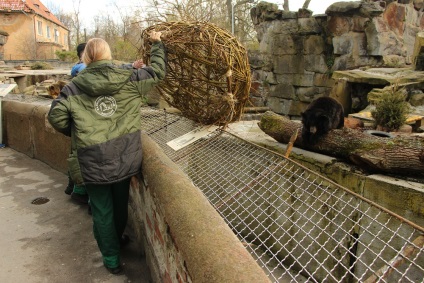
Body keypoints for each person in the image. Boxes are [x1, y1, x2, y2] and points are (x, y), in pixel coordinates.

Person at [48, 32, 166, 274]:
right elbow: (158, 72)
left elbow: (55, 116)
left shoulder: (73, 87)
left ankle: (111, 258)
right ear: (108, 56)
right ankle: (118, 238)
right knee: (120, 203)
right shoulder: (130, 78)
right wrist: (157, 44)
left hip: (91, 158)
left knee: (102, 209)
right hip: (124, 155)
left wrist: (78, 131)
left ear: (86, 57)